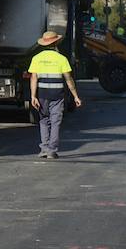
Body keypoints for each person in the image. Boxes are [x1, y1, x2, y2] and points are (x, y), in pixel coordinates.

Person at [28, 30, 82, 160]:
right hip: (57, 95)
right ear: (56, 42)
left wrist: (33, 96)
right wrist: (75, 96)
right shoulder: (61, 59)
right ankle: (52, 151)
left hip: (42, 95)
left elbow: (33, 78)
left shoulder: (36, 58)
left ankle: (44, 149)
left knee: (43, 121)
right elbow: (69, 79)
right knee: (55, 122)